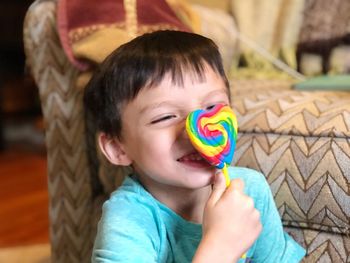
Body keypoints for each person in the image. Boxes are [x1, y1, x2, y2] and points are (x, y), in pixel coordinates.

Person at [84, 30, 305, 263]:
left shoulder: (250, 190)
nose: (196, 130)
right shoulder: (128, 218)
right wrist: (220, 247)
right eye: (165, 117)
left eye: (212, 107)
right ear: (118, 148)